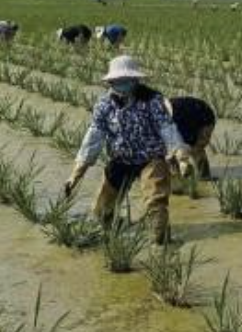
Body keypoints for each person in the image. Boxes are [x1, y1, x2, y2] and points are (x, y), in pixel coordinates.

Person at [63, 55, 193, 243]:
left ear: (135, 80)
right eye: (117, 81)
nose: (121, 84)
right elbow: (93, 138)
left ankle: (162, 243)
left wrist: (181, 158)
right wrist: (76, 174)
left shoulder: (152, 101)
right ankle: (118, 231)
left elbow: (168, 129)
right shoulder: (104, 105)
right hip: (120, 160)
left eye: (126, 81)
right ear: (110, 81)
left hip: (151, 158)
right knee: (101, 210)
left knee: (155, 203)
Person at [163, 96, 217, 180]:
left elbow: (187, 142)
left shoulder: (175, 117)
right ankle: (179, 175)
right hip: (193, 113)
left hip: (205, 120)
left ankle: (203, 175)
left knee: (195, 148)